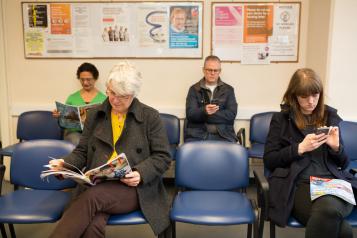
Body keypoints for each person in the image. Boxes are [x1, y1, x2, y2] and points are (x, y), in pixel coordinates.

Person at [49, 62, 172, 238]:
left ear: (133, 95)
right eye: (112, 92)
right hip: (99, 182)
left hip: (134, 188)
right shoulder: (95, 114)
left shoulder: (150, 116)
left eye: (123, 96)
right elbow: (82, 151)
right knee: (92, 225)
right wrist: (65, 163)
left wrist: (140, 173)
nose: (115, 100)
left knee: (91, 198)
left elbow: (163, 156)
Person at [264, 68, 357, 238]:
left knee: (328, 210)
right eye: (304, 96)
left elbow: (343, 164)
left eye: (315, 95)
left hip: (334, 182)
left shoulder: (329, 116)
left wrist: (336, 148)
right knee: (342, 230)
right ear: (293, 96)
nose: (311, 101)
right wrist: (299, 148)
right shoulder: (281, 119)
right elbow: (270, 160)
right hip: (301, 185)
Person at [185, 55, 238, 142]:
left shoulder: (228, 90)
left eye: (215, 70)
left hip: (223, 135)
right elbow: (190, 114)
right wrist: (204, 111)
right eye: (209, 70)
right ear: (203, 70)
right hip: (198, 135)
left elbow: (231, 115)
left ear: (220, 71)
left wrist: (205, 115)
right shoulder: (194, 89)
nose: (212, 73)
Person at [53, 62, 106, 145]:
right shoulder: (72, 98)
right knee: (77, 141)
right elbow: (64, 124)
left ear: (95, 79)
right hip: (74, 133)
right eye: (82, 79)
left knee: (96, 142)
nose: (85, 83)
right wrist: (59, 116)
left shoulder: (104, 99)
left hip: (95, 134)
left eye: (88, 79)